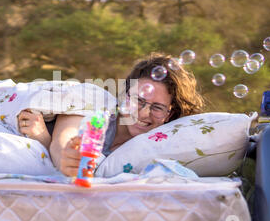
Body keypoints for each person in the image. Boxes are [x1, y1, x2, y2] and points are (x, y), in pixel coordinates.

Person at [18, 53, 206, 176]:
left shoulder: (156, 146)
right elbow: (65, 140)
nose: (144, 113)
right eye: (138, 100)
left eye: (157, 107)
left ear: (169, 113)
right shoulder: (98, 109)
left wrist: (44, 139)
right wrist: (57, 151)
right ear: (125, 95)